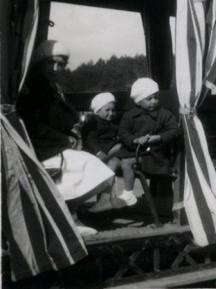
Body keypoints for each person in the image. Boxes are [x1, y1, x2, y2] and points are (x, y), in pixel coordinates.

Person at [17, 40, 117, 235]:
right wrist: (66, 139)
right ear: (40, 62)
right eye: (51, 63)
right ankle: (68, 218)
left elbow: (64, 118)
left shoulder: (52, 87)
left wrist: (73, 129)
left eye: (61, 64)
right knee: (88, 164)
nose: (56, 68)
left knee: (93, 166)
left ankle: (70, 216)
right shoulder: (33, 89)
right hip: (40, 147)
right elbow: (33, 126)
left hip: (54, 143)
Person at [118, 78, 179, 206]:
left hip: (156, 155)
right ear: (139, 102)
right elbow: (123, 133)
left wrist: (159, 137)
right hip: (137, 151)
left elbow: (174, 130)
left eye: (156, 97)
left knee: (126, 162)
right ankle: (108, 198)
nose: (154, 101)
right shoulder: (130, 116)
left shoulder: (164, 114)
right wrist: (134, 139)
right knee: (114, 161)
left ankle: (128, 193)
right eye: (149, 99)